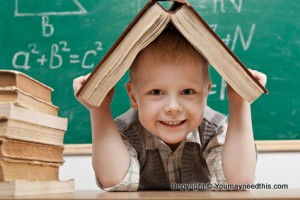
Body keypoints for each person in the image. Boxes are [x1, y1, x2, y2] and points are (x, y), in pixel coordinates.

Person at [73, 27, 267, 191]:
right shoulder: (124, 131)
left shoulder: (214, 128)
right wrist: (98, 108)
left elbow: (238, 182)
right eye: (156, 92)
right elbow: (114, 181)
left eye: (187, 91)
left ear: (205, 95)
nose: (173, 107)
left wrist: (240, 102)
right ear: (133, 97)